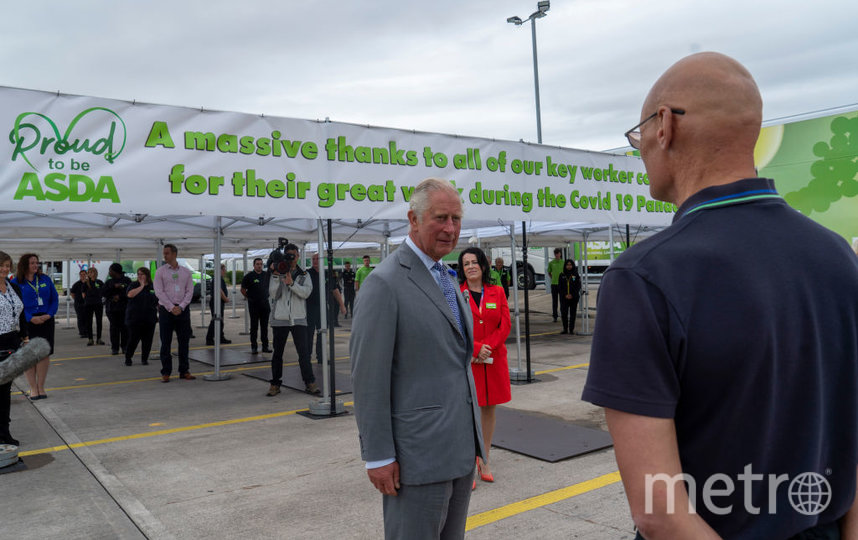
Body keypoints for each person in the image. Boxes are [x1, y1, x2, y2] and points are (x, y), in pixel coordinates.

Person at [581, 52, 858, 539]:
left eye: (638, 132)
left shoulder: (644, 276)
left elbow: (659, 512)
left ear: (664, 125)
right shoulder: (838, 257)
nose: (640, 147)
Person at [351, 178, 484, 539]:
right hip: (416, 459)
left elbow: (455, 361)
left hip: (458, 451)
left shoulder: (446, 276)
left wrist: (471, 439)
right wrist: (378, 456)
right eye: (440, 218)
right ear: (413, 218)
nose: (450, 228)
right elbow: (368, 380)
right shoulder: (385, 283)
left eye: (456, 219)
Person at [458, 246, 511, 489]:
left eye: (473, 262)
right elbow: (456, 327)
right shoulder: (457, 294)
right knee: (469, 412)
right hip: (469, 361)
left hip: (493, 359)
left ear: (482, 265)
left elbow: (505, 325)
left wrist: (487, 347)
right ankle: (469, 463)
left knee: (489, 409)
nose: (470, 266)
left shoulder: (497, 292)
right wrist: (476, 347)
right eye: (465, 263)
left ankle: (485, 459)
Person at [267, 243, 318, 396]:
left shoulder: (304, 274)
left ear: (298, 256)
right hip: (280, 318)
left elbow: (306, 293)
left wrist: (291, 284)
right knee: (277, 353)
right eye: (288, 255)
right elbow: (273, 294)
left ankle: (310, 382)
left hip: (299, 319)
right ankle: (275, 383)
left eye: (293, 256)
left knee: (304, 353)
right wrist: (277, 276)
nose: (291, 259)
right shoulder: (278, 271)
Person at [12, 253, 58, 400]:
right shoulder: (16, 282)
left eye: (36, 263)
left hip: (46, 320)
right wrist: (30, 318)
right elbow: (14, 304)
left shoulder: (45, 279)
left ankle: (41, 387)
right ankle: (33, 388)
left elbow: (54, 299)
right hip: (27, 322)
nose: (35, 265)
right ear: (24, 265)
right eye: (32, 263)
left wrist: (49, 314)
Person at [153, 244, 196, 382]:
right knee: (165, 342)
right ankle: (166, 372)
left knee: (184, 342)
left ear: (175, 254)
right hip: (166, 310)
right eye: (164, 253)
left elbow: (190, 291)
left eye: (167, 253)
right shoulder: (160, 272)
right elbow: (159, 292)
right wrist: (171, 307)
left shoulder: (185, 272)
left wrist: (181, 306)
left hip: (183, 311)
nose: (165, 256)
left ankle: (184, 370)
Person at [0, 251, 27, 445]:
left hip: (11, 342)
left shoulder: (13, 287)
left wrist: (24, 337)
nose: (4, 269)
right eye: (1, 265)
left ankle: (4, 432)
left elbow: (21, 314)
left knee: (5, 390)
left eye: (7, 265)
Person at [306, 253, 346, 364]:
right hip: (309, 309)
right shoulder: (307, 274)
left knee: (322, 333)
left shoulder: (327, 274)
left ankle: (321, 357)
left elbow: (335, 290)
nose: (314, 261)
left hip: (322, 309)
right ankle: (307, 357)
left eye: (317, 259)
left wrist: (342, 305)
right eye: (313, 259)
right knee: (309, 335)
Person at [125, 267, 158, 366]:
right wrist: (142, 286)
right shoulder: (133, 285)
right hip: (135, 318)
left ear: (147, 275)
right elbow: (130, 295)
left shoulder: (153, 286)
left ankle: (144, 359)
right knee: (133, 339)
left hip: (149, 318)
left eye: (142, 274)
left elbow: (158, 299)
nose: (140, 276)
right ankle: (128, 358)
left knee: (147, 340)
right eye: (138, 274)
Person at [240, 257, 271, 354]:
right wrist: (249, 297)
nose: (259, 266)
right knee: (254, 327)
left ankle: (265, 347)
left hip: (265, 305)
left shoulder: (266, 275)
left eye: (261, 264)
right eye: (257, 264)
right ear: (254, 265)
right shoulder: (249, 276)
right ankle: (254, 347)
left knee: (264, 327)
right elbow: (243, 289)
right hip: (254, 305)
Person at [103, 263, 131, 355]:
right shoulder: (109, 282)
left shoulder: (127, 280)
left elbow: (130, 293)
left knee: (124, 328)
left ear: (115, 271)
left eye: (110, 270)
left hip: (124, 308)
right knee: (114, 328)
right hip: (112, 309)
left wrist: (120, 296)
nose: (109, 272)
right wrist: (113, 288)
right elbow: (103, 293)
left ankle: (125, 347)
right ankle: (114, 348)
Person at [205, 264, 232, 346]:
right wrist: (225, 299)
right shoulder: (217, 279)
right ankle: (209, 339)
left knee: (220, 321)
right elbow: (219, 291)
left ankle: (220, 337)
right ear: (220, 270)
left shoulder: (219, 278)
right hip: (216, 302)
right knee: (215, 320)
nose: (225, 271)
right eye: (224, 270)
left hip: (219, 302)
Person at [557, 259, 581, 335]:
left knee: (572, 314)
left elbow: (578, 286)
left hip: (573, 298)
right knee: (564, 314)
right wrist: (565, 295)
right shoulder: (562, 275)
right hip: (564, 298)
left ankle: (571, 329)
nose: (569, 266)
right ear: (565, 266)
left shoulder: (575, 275)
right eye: (567, 265)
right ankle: (565, 329)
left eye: (570, 265)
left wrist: (572, 295)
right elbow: (560, 287)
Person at [82, 267, 105, 346]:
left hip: (98, 304)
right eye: (90, 272)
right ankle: (90, 339)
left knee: (99, 322)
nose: (92, 274)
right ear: (88, 274)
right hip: (88, 304)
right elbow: (83, 294)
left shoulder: (100, 282)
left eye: (93, 272)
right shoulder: (85, 283)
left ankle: (99, 338)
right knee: (89, 322)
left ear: (96, 273)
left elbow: (103, 292)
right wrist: (88, 300)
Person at [546, 248, 564, 322]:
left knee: (562, 300)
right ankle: (555, 316)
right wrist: (552, 277)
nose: (557, 255)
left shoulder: (563, 262)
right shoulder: (551, 263)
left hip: (561, 284)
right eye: (555, 254)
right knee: (555, 301)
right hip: (554, 284)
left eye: (558, 253)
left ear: (560, 254)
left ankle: (563, 314)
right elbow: (549, 272)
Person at [69, 269, 88, 338]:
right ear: (80, 276)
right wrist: (77, 300)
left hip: (88, 304)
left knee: (87, 318)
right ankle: (82, 332)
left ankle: (87, 331)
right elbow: (72, 294)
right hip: (79, 304)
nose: (82, 276)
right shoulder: (76, 284)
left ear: (86, 275)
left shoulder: (89, 283)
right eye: (81, 275)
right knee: (80, 318)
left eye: (84, 274)